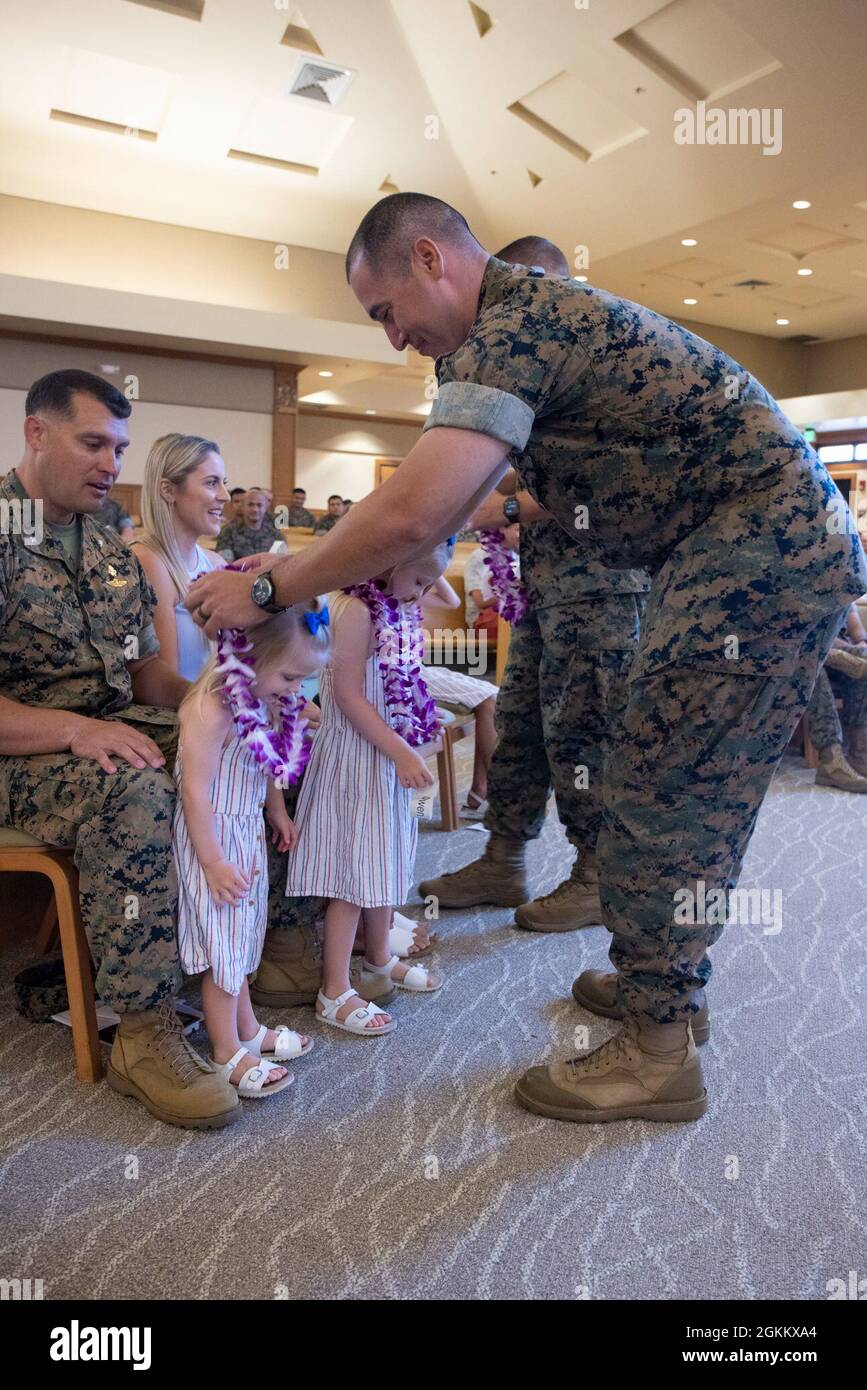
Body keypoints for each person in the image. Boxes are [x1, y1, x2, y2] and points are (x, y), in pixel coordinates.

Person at [186, 193, 867, 1125]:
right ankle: (662, 991)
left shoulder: (515, 325)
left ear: (430, 259)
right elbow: (460, 506)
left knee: (670, 785)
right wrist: (308, 563)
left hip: (760, 553)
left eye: (386, 311)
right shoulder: (514, 336)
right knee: (668, 776)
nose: (391, 338)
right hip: (739, 548)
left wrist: (273, 590)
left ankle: (657, 1043)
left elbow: (419, 508)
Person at [1, 369, 238, 1129]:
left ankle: (268, 952)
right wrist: (75, 729)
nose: (111, 463)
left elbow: (144, 676)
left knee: (244, 744)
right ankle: (142, 1029)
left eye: (120, 447)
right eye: (92, 442)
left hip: (108, 727)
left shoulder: (109, 546)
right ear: (36, 433)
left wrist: (211, 701)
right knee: (131, 785)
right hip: (21, 751)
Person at [420, 236, 651, 931]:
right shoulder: (522, 365)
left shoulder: (593, 365)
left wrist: (501, 508)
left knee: (583, 735)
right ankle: (504, 858)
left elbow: (607, 480)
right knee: (519, 726)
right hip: (546, 586)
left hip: (604, 589)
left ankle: (593, 874)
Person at [286, 549, 446, 1033]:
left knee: (383, 861)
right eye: (417, 581)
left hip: (382, 757)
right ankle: (333, 991)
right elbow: (346, 696)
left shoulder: (394, 605)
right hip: (357, 759)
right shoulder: (352, 608)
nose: (421, 594)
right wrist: (400, 750)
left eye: (427, 586)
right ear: (387, 561)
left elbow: (401, 679)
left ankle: (378, 961)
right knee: (352, 874)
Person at [174, 604, 328, 1096]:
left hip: (245, 831)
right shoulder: (209, 708)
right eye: (290, 675)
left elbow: (265, 765)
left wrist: (277, 811)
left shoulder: (262, 697)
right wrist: (214, 862)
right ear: (250, 655)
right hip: (211, 838)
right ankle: (225, 1052)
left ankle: (247, 1030)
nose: (296, 689)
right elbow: (194, 792)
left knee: (242, 938)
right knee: (223, 948)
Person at [132, 434, 229, 681]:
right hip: (181, 714)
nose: (225, 496)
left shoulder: (216, 563)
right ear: (168, 490)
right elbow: (164, 681)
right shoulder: (149, 561)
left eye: (223, 483)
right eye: (211, 483)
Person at [420, 572, 498, 816]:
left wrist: (427, 563)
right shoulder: (381, 595)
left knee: (492, 694)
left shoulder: (407, 590)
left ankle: (482, 787)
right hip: (404, 675)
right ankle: (493, 790)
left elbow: (451, 601)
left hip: (419, 669)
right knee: (489, 697)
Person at [463, 522, 520, 643]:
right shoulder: (479, 556)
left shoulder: (516, 557)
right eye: (518, 530)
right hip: (483, 620)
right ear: (503, 528)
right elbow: (481, 601)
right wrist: (512, 590)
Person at [216, 487, 283, 560]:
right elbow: (225, 564)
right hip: (237, 571)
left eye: (259, 505)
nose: (255, 509)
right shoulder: (228, 532)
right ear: (243, 507)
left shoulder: (275, 533)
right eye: (250, 505)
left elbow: (277, 562)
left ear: (265, 508)